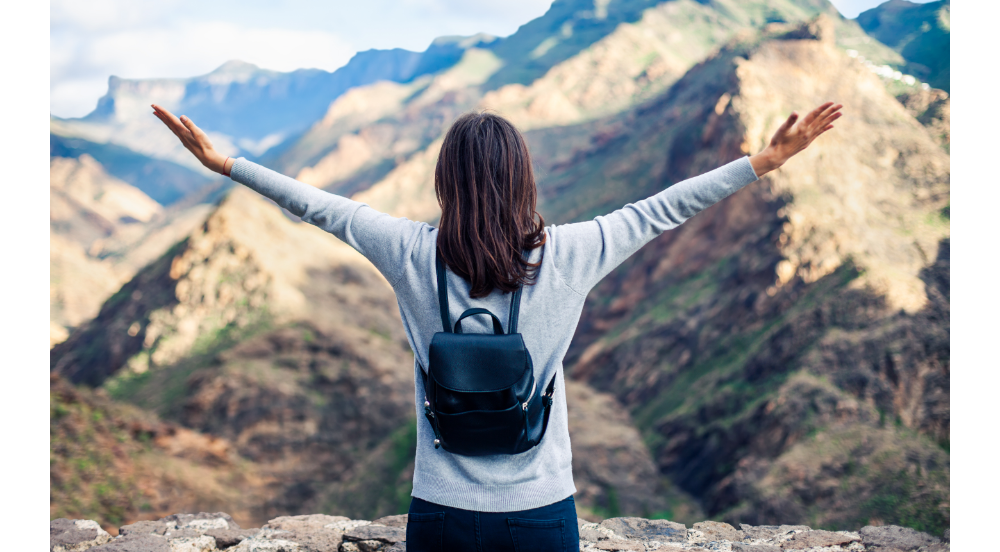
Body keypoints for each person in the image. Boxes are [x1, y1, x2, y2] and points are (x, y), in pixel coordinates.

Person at [152, 101, 841, 551]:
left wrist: (226, 165)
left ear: (446, 181)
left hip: (442, 512)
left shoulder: (408, 250)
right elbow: (661, 209)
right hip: (542, 514)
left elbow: (320, 207)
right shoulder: (573, 251)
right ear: (523, 180)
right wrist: (765, 162)